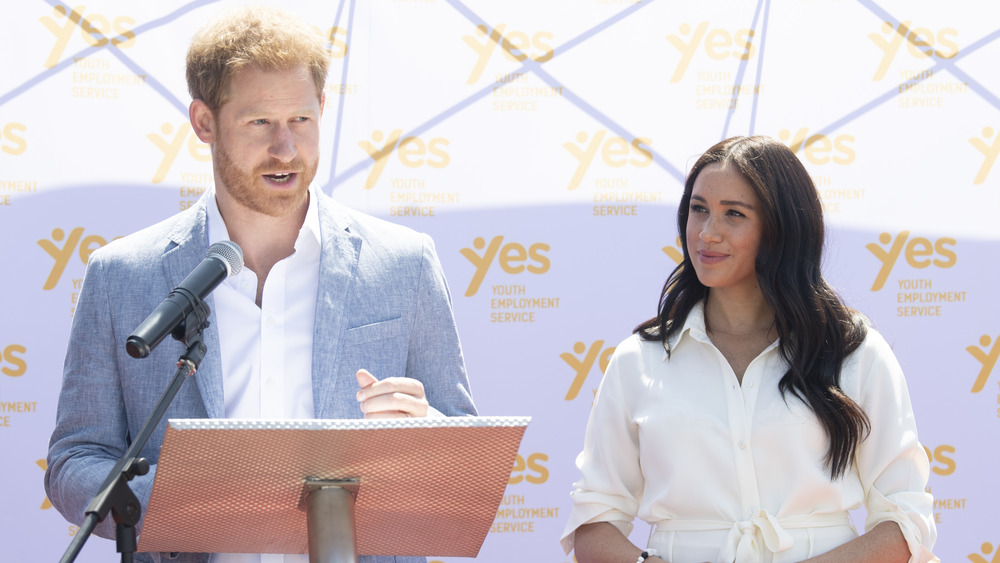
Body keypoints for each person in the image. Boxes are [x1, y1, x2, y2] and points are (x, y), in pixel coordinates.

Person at [44, 6, 475, 563]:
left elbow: (465, 455)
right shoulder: (122, 275)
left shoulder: (404, 262)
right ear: (204, 122)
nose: (286, 150)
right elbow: (76, 459)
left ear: (323, 108)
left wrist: (430, 432)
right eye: (259, 123)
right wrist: (177, 505)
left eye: (300, 120)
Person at [560, 136, 937, 563]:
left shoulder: (854, 351)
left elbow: (905, 520)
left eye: (733, 214)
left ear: (781, 230)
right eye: (698, 209)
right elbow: (593, 524)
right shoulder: (637, 361)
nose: (707, 233)